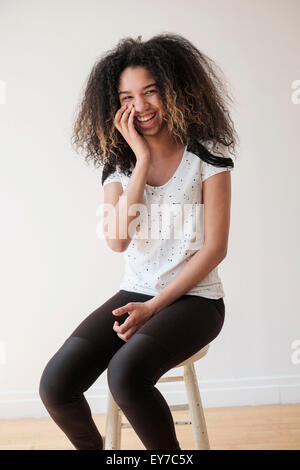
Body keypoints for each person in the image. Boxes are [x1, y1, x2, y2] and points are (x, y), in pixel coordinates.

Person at [39, 33, 237, 451]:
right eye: (128, 96)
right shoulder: (120, 166)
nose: (141, 106)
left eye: (150, 92)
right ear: (115, 105)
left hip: (197, 300)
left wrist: (153, 307)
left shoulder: (208, 155)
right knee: (56, 385)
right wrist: (141, 161)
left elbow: (215, 248)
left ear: (174, 90)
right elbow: (117, 241)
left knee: (125, 375)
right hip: (136, 291)